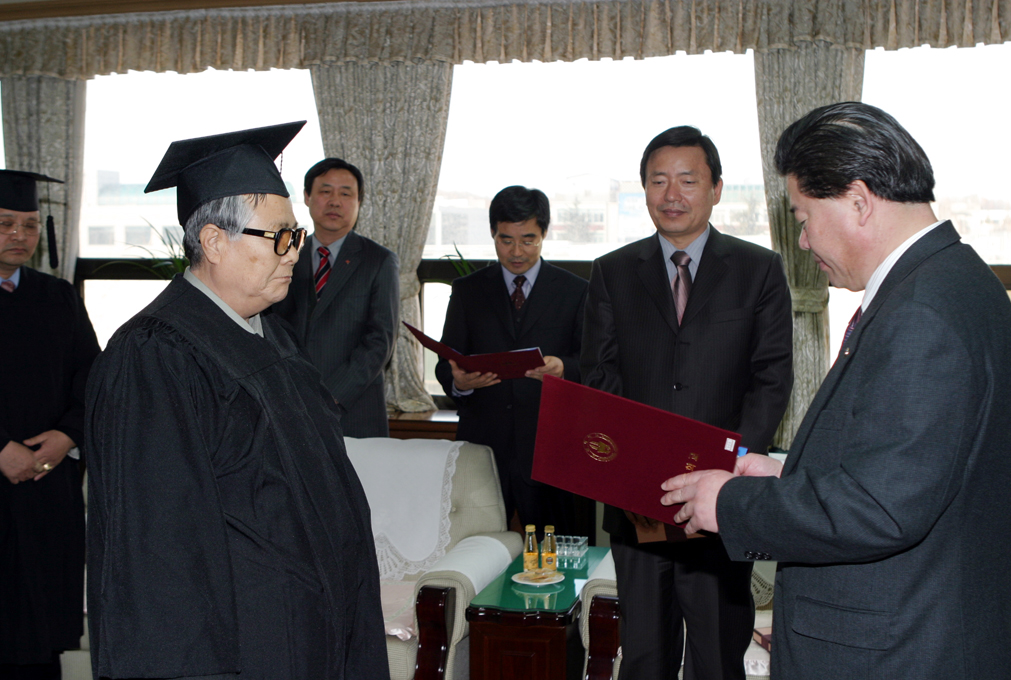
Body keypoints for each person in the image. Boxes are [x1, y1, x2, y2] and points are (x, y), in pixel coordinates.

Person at [661, 102, 1011, 680]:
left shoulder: (923, 314)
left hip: (901, 651)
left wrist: (728, 504)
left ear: (858, 201)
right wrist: (788, 476)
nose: (803, 241)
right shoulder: (954, 282)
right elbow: (909, 469)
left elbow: (880, 508)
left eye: (804, 218)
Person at [85, 123, 388, 680]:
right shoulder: (156, 356)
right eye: (279, 237)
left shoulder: (269, 334)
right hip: (248, 648)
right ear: (214, 242)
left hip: (312, 629)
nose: (295, 252)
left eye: (295, 235)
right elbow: (160, 554)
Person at [581, 127, 793, 680]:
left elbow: (771, 379)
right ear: (644, 190)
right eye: (658, 181)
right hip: (637, 501)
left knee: (717, 655)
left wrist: (726, 470)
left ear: (716, 189)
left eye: (688, 180)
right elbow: (599, 377)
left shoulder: (759, 269)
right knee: (643, 655)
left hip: (721, 502)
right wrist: (635, 465)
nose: (671, 194)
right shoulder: (611, 271)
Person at [436, 185, 592, 537]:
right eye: (506, 240)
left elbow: (592, 364)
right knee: (475, 548)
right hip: (484, 444)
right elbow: (446, 362)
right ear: (493, 233)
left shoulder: (575, 290)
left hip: (549, 446)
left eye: (528, 240)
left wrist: (563, 368)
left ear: (544, 233)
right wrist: (459, 382)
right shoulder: (468, 290)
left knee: (557, 550)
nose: (517, 252)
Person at [0, 170, 100, 680]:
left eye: (30, 224)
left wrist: (66, 437)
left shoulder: (58, 296)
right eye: (5, 224)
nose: (19, 235)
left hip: (48, 482)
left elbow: (92, 376)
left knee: (40, 636)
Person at [273, 158, 399, 438]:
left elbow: (380, 341)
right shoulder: (285, 256)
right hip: (290, 406)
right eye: (325, 191)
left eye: (345, 193)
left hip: (354, 411)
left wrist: (330, 395)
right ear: (307, 197)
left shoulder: (379, 261)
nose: (334, 201)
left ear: (358, 202)